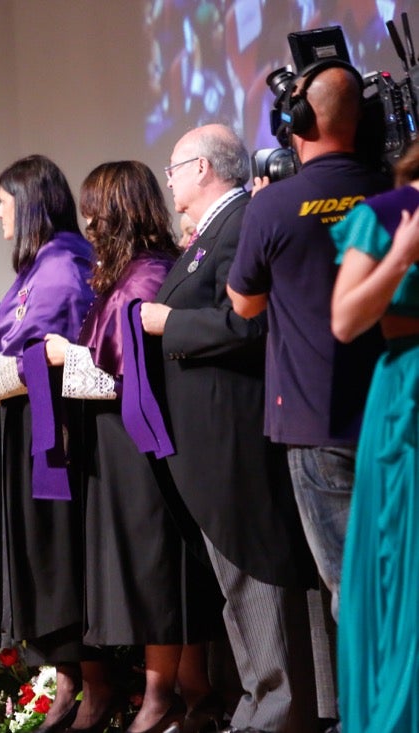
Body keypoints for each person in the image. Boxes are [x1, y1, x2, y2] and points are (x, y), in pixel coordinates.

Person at [141, 124, 320, 733]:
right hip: (204, 436)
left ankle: (279, 709)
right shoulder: (210, 233)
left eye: (172, 167)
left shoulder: (243, 221)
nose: (167, 179)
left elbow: (250, 325)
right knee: (232, 577)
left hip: (233, 431)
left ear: (202, 168)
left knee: (254, 570)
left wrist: (169, 323)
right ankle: (260, 700)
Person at [44, 161, 218, 733]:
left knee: (157, 572)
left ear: (118, 210)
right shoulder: (122, 273)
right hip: (115, 443)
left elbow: (121, 373)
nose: (88, 220)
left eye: (95, 208)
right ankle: (191, 696)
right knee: (151, 572)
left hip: (138, 442)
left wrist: (63, 358)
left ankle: (162, 697)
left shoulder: (145, 276)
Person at [227, 61, 388, 627]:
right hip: (396, 411)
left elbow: (244, 304)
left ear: (296, 121)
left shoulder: (271, 206)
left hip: (318, 424)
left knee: (351, 584)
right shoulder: (395, 191)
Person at [0, 154, 95, 733]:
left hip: (59, 431)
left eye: (2, 200)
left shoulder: (63, 266)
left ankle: (81, 682)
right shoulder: (38, 266)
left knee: (60, 557)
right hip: (28, 426)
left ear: (29, 202)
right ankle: (65, 678)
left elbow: (49, 352)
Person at [331, 141, 419, 733]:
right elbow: (344, 319)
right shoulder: (388, 213)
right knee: (402, 567)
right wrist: (402, 257)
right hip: (406, 398)